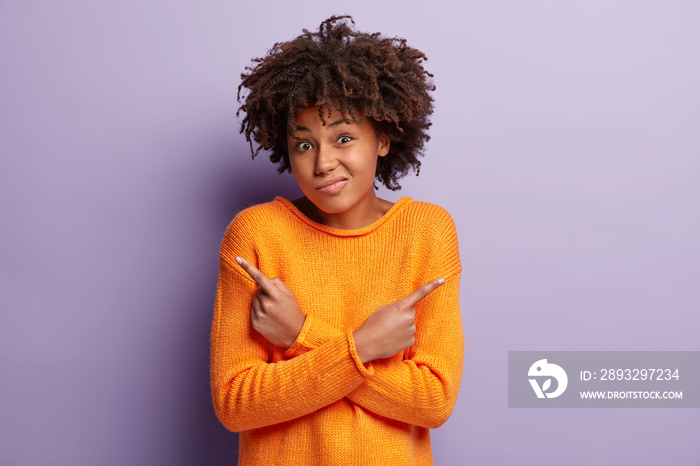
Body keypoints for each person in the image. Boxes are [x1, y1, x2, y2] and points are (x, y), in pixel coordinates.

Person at [210, 15, 463, 465]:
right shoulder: (256, 235)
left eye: (343, 138)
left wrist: (301, 337)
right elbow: (234, 403)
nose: (323, 162)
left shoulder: (427, 232)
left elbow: (433, 401)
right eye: (304, 144)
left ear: (383, 139)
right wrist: (365, 347)